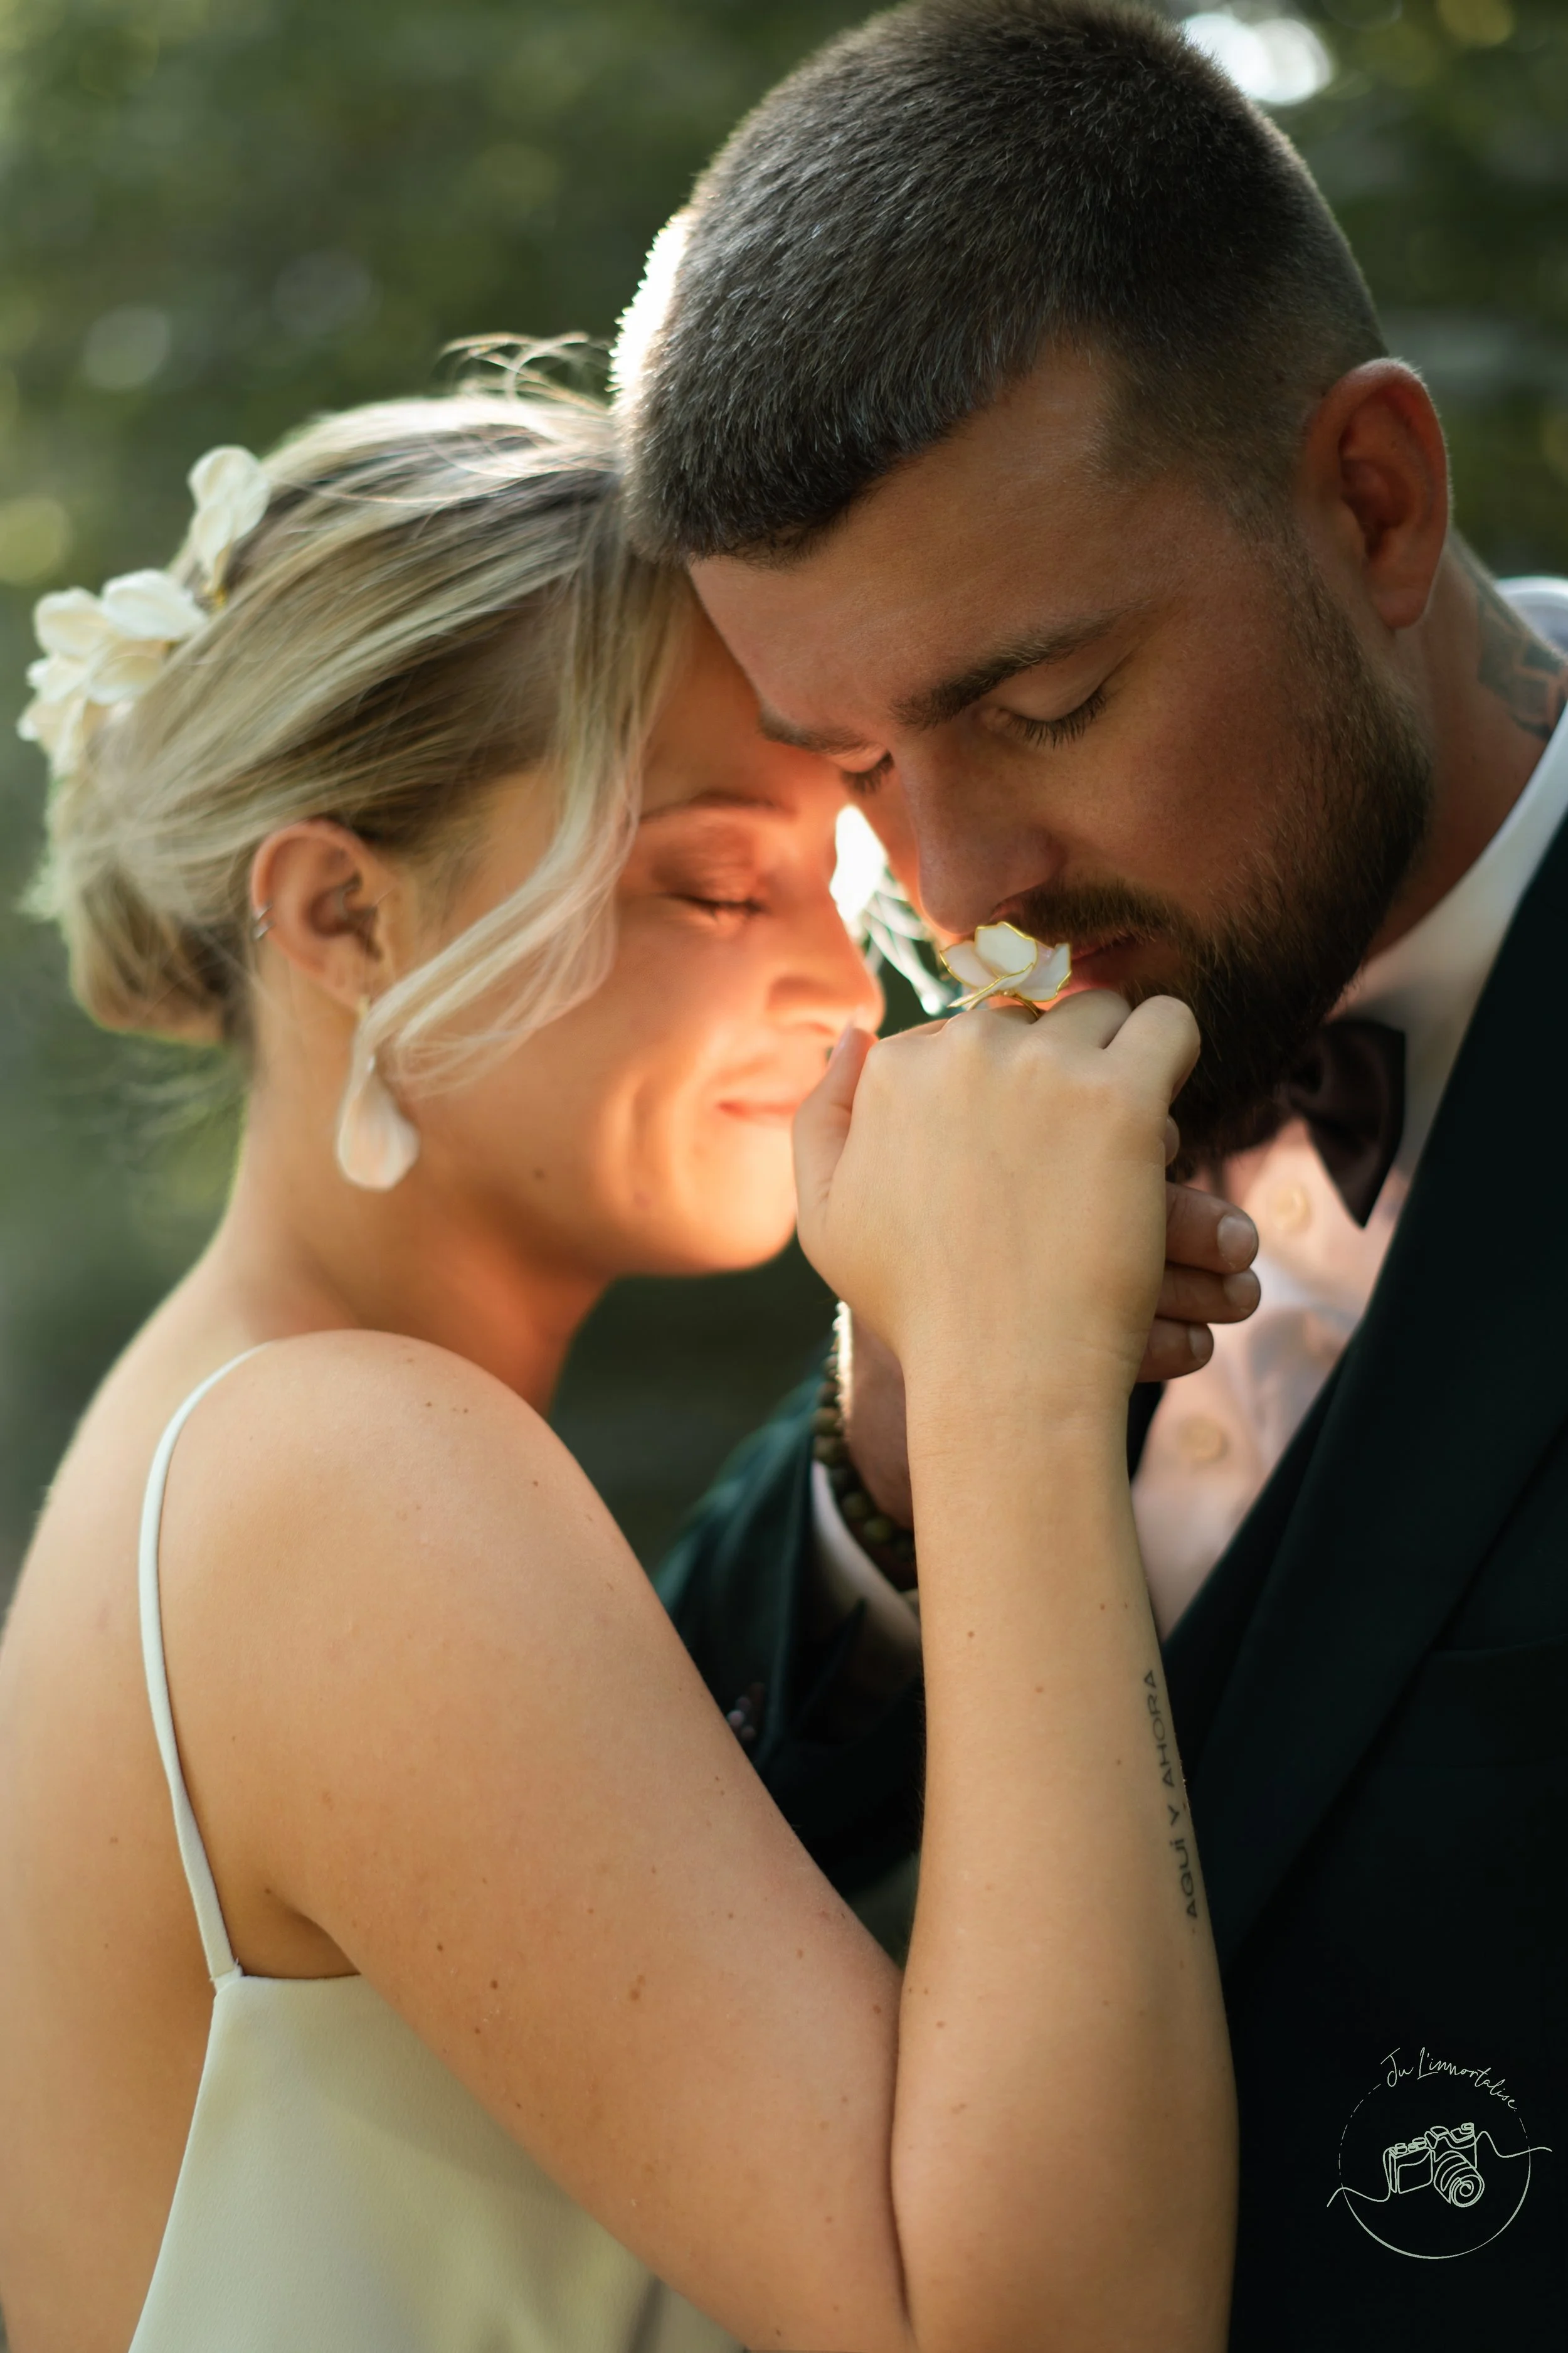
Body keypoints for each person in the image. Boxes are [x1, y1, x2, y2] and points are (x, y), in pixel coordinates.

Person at [0, 381, 1241, 2353]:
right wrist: (1013, 1391)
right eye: (713, 883)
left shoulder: (233, 1427)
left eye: (835, 888)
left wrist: (901, 1447)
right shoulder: (340, 1470)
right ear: (344, 913)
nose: (844, 989)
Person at [620, 1, 1568, 2341]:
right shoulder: (1025, 1045)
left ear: (1370, 498)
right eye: (851, 760)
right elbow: (693, 1809)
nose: (952, 880)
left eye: (1042, 707)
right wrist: (899, 1448)